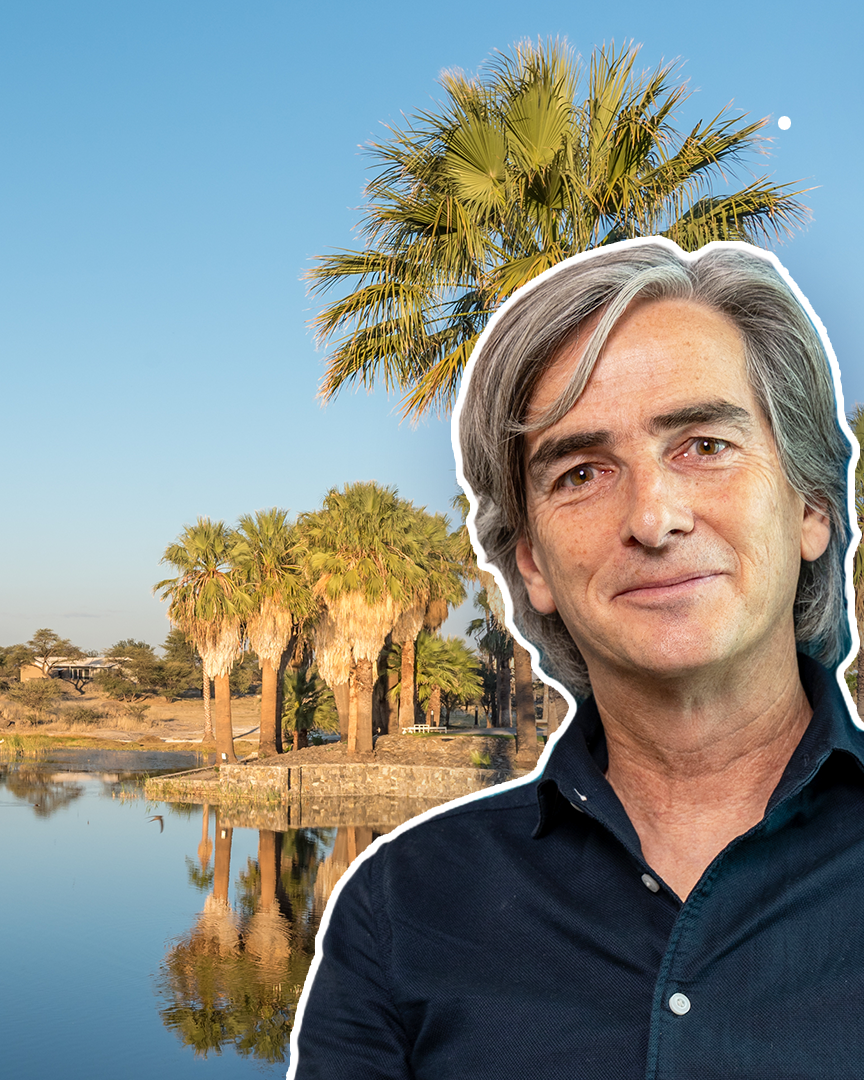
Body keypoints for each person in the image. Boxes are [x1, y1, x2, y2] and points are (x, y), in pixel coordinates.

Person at [290, 237, 863, 1079]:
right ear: (530, 562)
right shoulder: (402, 909)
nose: (653, 518)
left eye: (703, 444)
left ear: (811, 504)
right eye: (583, 472)